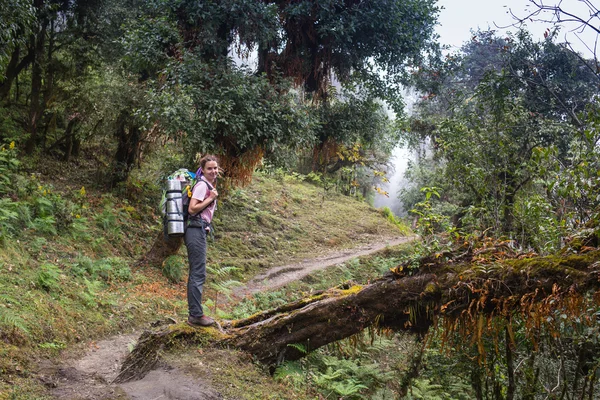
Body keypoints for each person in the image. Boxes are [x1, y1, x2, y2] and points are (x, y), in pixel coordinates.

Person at [185, 154, 219, 327]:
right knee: (198, 273)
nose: (213, 171)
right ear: (203, 170)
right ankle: (196, 315)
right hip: (195, 229)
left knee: (197, 272)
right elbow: (192, 209)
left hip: (198, 229)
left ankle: (195, 313)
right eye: (209, 168)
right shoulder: (201, 185)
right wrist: (210, 198)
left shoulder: (207, 185)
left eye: (215, 168)